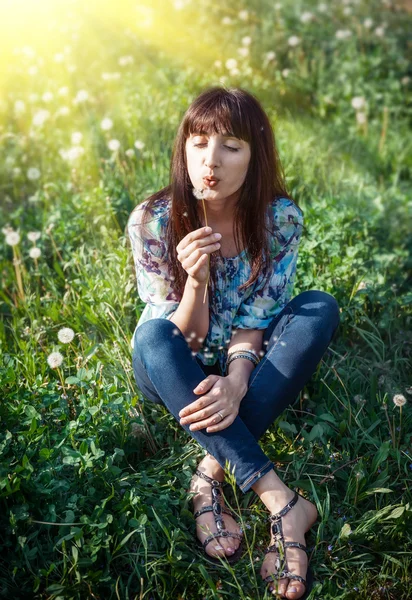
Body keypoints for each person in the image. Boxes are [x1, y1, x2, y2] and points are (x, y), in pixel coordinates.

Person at [127, 86, 340, 600]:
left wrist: (239, 379)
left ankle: (209, 472)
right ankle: (284, 505)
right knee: (155, 336)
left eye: (231, 146)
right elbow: (184, 337)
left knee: (319, 308)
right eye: (198, 143)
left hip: (247, 352)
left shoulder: (278, 219)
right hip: (174, 367)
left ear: (256, 154)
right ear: (183, 149)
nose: (210, 161)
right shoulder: (152, 221)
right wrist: (196, 283)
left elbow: (260, 316)